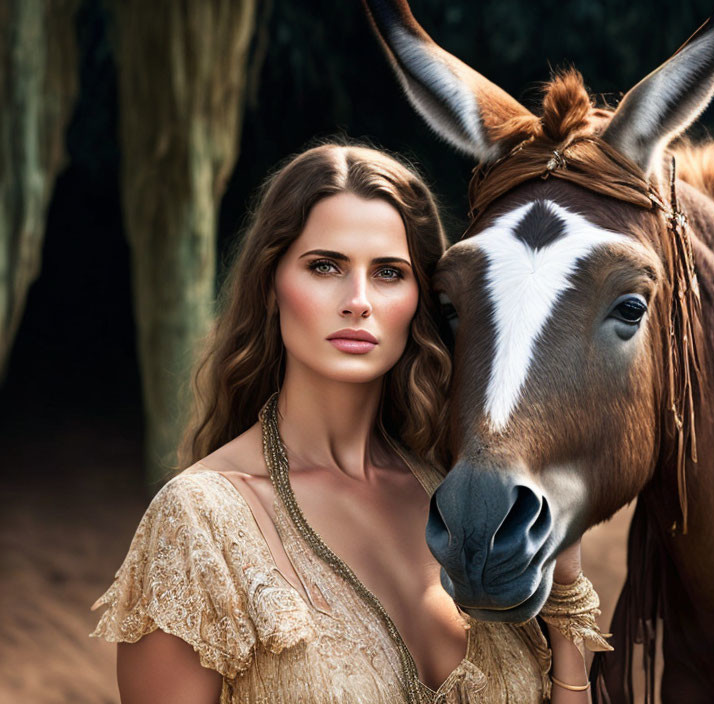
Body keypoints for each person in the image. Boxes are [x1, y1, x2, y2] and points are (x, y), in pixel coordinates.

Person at [90, 142, 609, 703]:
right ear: (271, 285)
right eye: (325, 266)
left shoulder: (457, 499)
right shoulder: (200, 522)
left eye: (388, 272)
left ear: (419, 298)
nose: (358, 301)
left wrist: (564, 591)